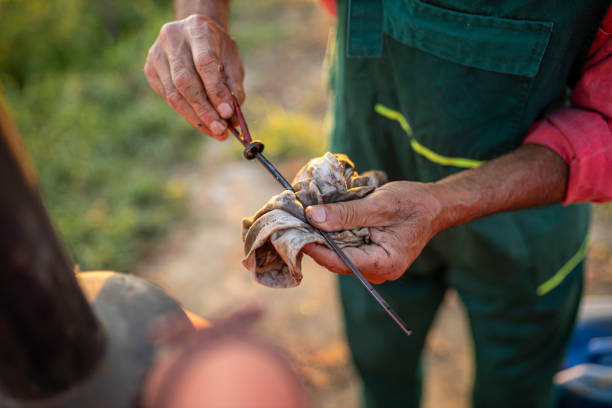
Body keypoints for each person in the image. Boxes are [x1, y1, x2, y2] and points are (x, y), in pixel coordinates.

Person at [144, 1, 612, 407]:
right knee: (379, 362)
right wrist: (200, 15)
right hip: (364, 195)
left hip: (524, 222)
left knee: (517, 390)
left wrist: (442, 204)